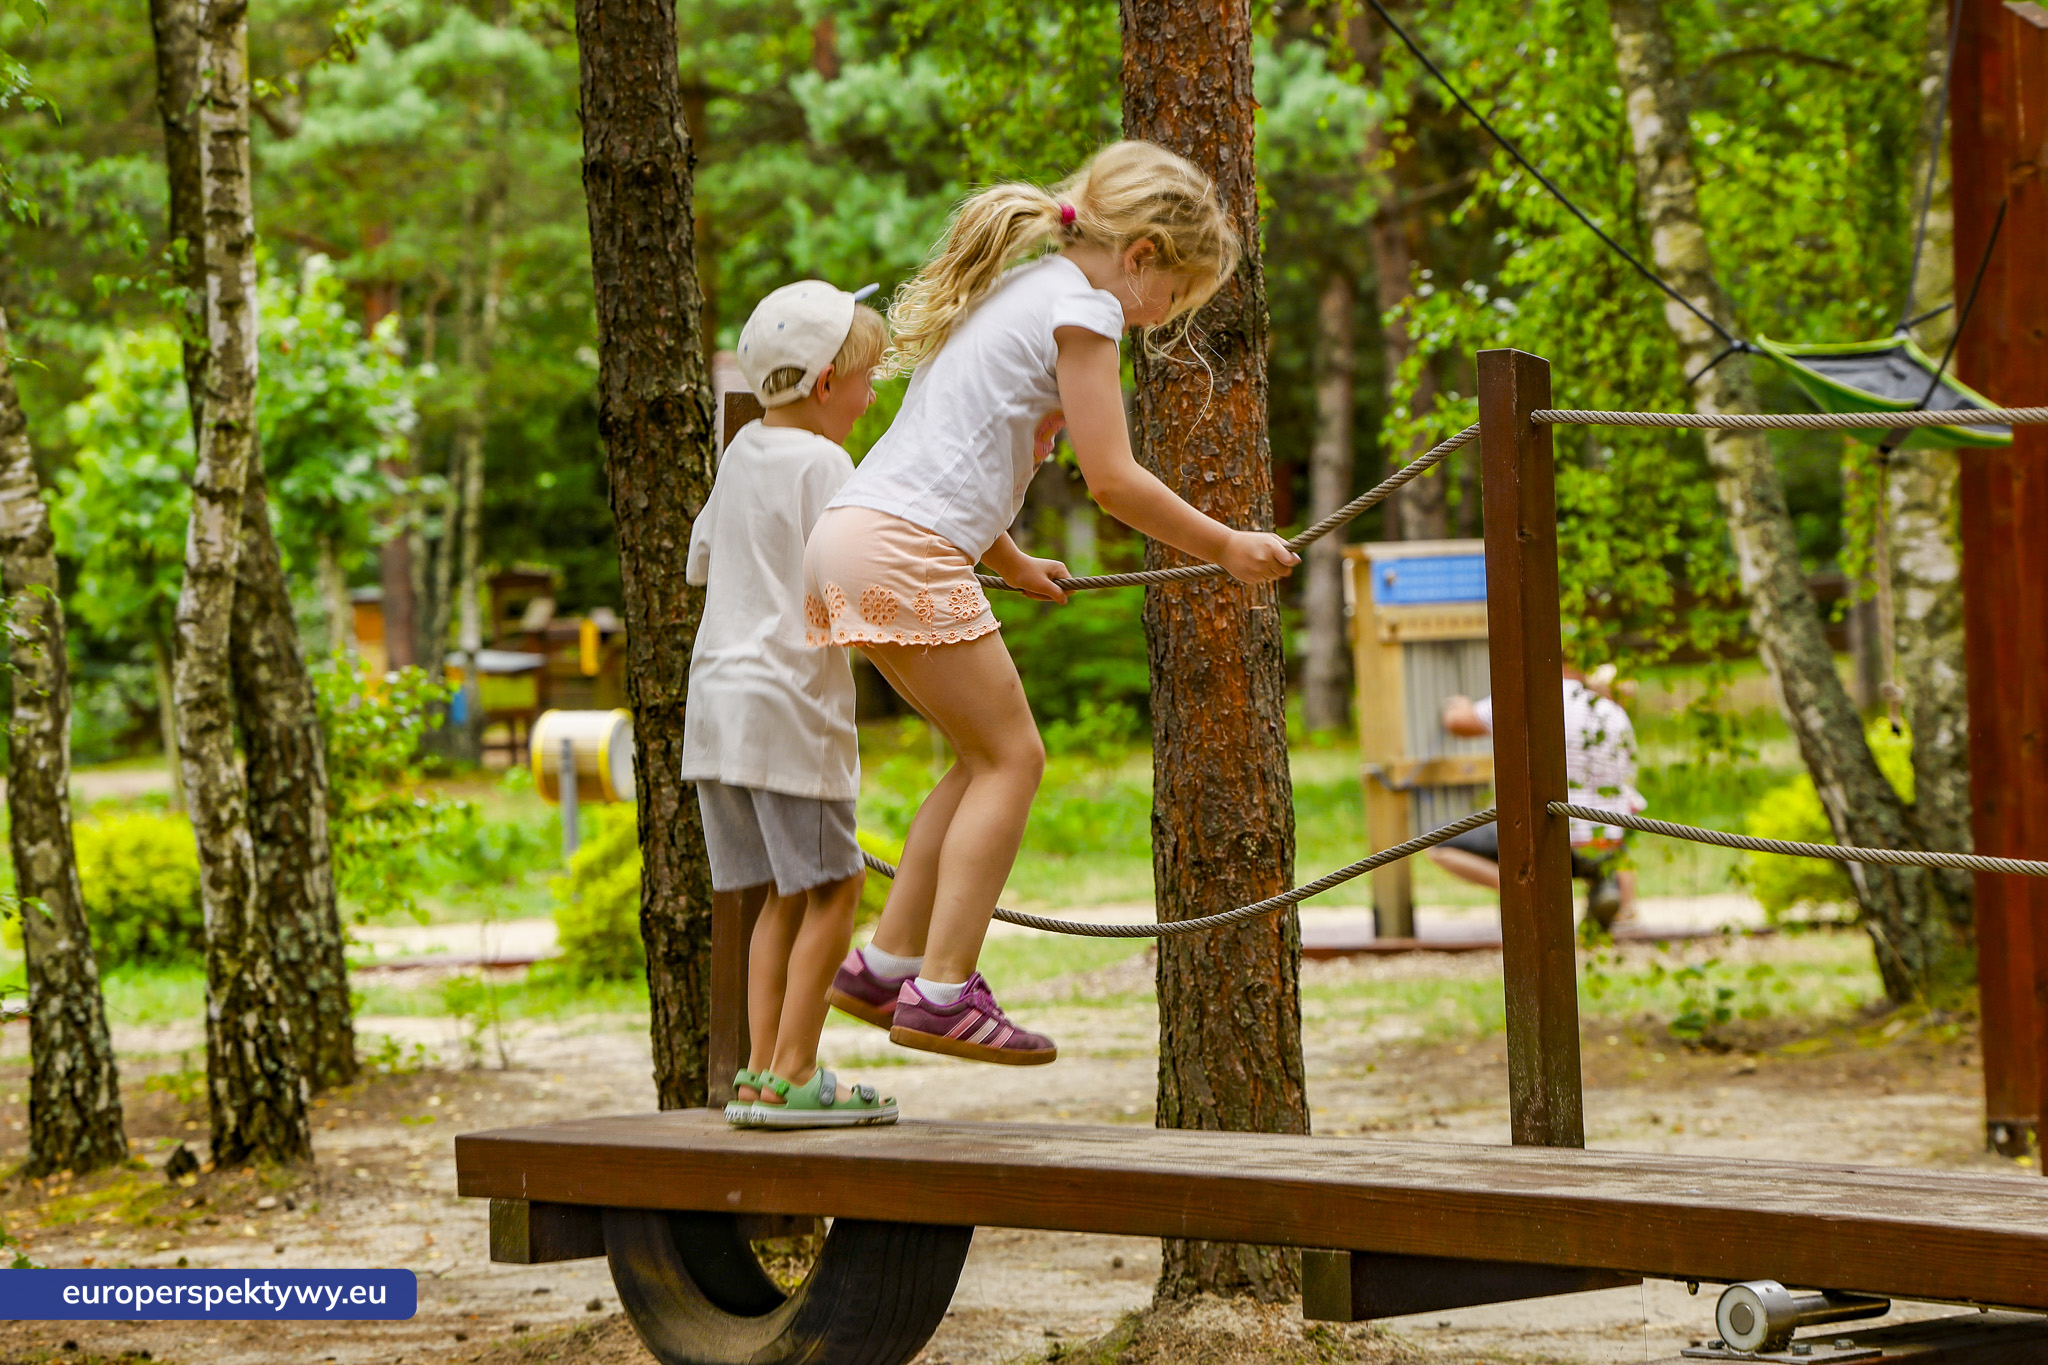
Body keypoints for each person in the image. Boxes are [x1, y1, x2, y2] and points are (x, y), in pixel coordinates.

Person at [812, 140, 1297, 1065]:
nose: (1165, 317)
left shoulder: (1021, 287)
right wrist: (1228, 545)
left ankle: (883, 966)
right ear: (1144, 254)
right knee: (1014, 760)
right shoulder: (1085, 305)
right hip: (904, 545)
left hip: (854, 533)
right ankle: (945, 989)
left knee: (976, 760)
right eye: (1177, 294)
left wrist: (1011, 555)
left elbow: (954, 444)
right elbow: (1111, 480)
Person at [683, 280, 897, 1128]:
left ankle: (762, 1073)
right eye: (863, 378)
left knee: (778, 891)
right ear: (822, 386)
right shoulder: (825, 464)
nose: (871, 392)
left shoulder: (742, 455)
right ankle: (799, 1067)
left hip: (718, 711)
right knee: (838, 887)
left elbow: (703, 557)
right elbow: (850, 576)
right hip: (787, 711)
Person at [1427, 664, 1644, 931]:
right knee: (1609, 822)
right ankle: (1613, 892)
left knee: (1438, 843)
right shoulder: (1613, 713)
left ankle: (1514, 890)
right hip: (1605, 841)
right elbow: (1628, 790)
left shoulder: (1528, 698)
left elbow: (1460, 723)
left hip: (1544, 842)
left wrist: (1455, 705)